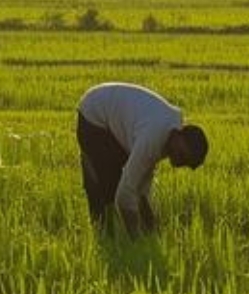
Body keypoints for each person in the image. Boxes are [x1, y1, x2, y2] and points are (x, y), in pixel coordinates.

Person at [76, 82, 207, 235]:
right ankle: (104, 235)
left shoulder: (169, 132)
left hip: (111, 119)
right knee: (108, 187)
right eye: (181, 154)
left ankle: (111, 234)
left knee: (122, 181)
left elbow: (142, 186)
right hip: (94, 116)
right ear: (178, 135)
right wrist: (136, 238)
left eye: (185, 162)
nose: (178, 161)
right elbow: (125, 196)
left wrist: (150, 226)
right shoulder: (152, 138)